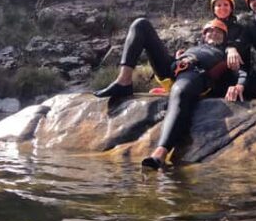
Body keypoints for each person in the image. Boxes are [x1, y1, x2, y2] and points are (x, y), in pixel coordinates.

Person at [94, 18, 246, 169]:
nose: (214, 33)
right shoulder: (193, 48)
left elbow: (242, 71)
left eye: (219, 32)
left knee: (179, 90)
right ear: (203, 35)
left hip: (195, 75)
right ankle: (124, 81)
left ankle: (161, 153)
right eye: (210, 30)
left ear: (225, 37)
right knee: (141, 24)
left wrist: (238, 85)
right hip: (172, 68)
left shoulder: (227, 51)